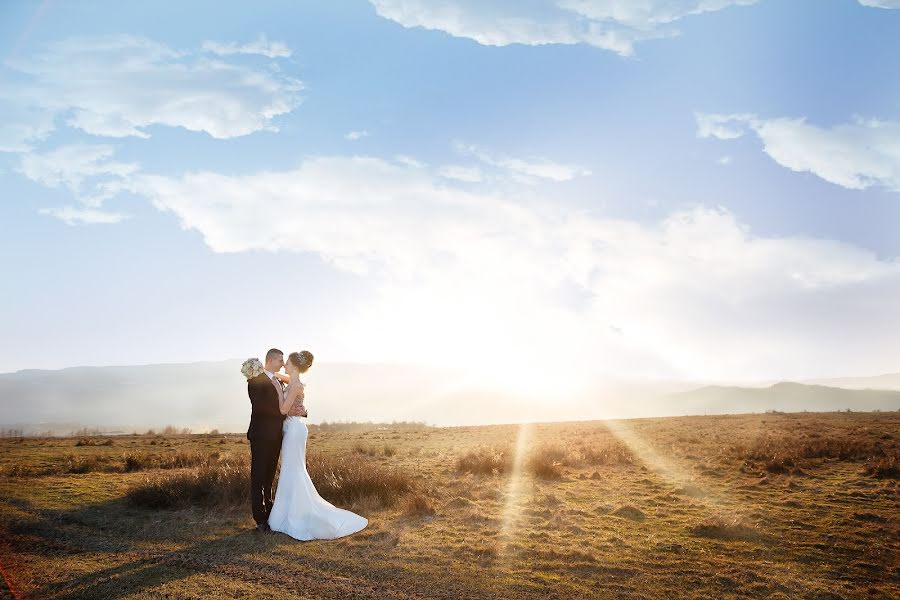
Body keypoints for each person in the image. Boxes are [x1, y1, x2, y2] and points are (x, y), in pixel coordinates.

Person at [267, 350, 368, 540]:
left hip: (294, 430)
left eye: (287, 363)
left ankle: (296, 515)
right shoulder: (294, 381)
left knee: (293, 470)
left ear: (295, 366)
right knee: (292, 469)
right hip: (293, 428)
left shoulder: (295, 385)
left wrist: (278, 389)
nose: (284, 366)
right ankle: (291, 511)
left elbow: (283, 409)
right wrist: (268, 373)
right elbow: (278, 376)